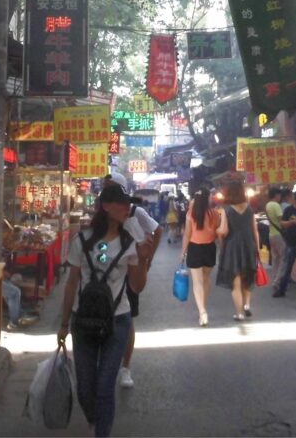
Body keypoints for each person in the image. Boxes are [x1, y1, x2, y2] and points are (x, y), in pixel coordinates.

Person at [58, 183, 156, 438]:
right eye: (121, 203)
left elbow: (136, 286)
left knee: (104, 386)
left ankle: (102, 432)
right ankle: (94, 419)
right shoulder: (82, 241)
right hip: (83, 319)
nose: (127, 208)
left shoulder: (131, 243)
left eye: (128, 204)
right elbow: (71, 283)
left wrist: (143, 259)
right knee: (85, 387)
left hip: (118, 320)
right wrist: (64, 323)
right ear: (106, 207)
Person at [109, 175, 162, 390]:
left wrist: (147, 260)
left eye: (113, 188)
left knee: (127, 318)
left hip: (130, 271)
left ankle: (125, 367)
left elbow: (158, 230)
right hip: (106, 273)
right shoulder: (102, 211)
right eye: (106, 188)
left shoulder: (135, 212)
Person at [215, 177, 260, 321]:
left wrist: (217, 232)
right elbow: (255, 230)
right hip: (248, 245)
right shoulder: (249, 209)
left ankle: (239, 313)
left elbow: (224, 231)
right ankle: (247, 305)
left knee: (236, 281)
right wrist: (258, 247)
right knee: (247, 277)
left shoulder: (226, 210)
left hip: (232, 246)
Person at [180, 187, 222, 326]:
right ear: (207, 198)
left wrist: (183, 252)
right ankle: (203, 306)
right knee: (206, 279)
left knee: (197, 282)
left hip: (194, 248)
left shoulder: (191, 214)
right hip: (210, 248)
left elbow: (187, 235)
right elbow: (217, 233)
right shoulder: (215, 213)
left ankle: (202, 312)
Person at [265, 187, 287, 293]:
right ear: (276, 195)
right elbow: (281, 221)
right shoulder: (276, 205)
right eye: (279, 195)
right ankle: (277, 281)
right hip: (278, 235)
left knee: (275, 259)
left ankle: (274, 279)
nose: (280, 197)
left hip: (271, 234)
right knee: (283, 258)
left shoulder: (268, 205)